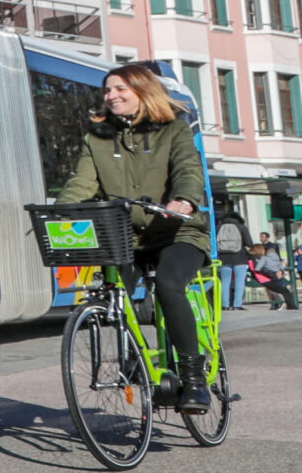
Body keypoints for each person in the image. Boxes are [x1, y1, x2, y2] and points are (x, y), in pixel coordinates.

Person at [56, 63, 214, 411]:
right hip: (126, 235)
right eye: (107, 90)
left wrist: (184, 200)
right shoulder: (97, 138)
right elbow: (82, 183)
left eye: (119, 90)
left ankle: (194, 379)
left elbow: (189, 168)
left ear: (142, 92)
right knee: (113, 291)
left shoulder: (174, 129)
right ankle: (136, 358)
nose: (111, 96)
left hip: (177, 229)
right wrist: (61, 212)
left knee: (170, 284)